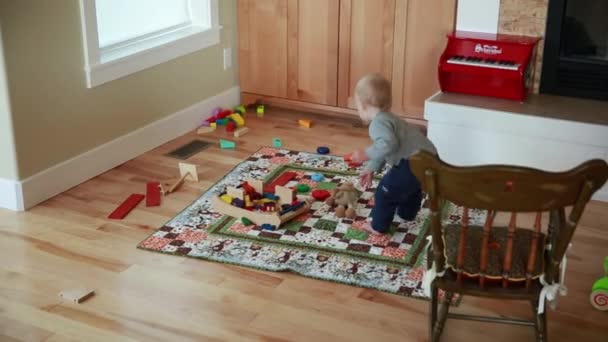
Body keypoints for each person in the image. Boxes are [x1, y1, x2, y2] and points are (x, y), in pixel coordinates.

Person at [347, 73, 437, 235]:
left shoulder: (377, 124)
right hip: (427, 160)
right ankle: (407, 214)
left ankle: (378, 226)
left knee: (385, 191)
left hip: (411, 162)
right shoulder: (389, 118)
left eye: (358, 107)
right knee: (411, 186)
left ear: (364, 104)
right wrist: (371, 167)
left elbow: (388, 144)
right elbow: (384, 148)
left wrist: (365, 154)